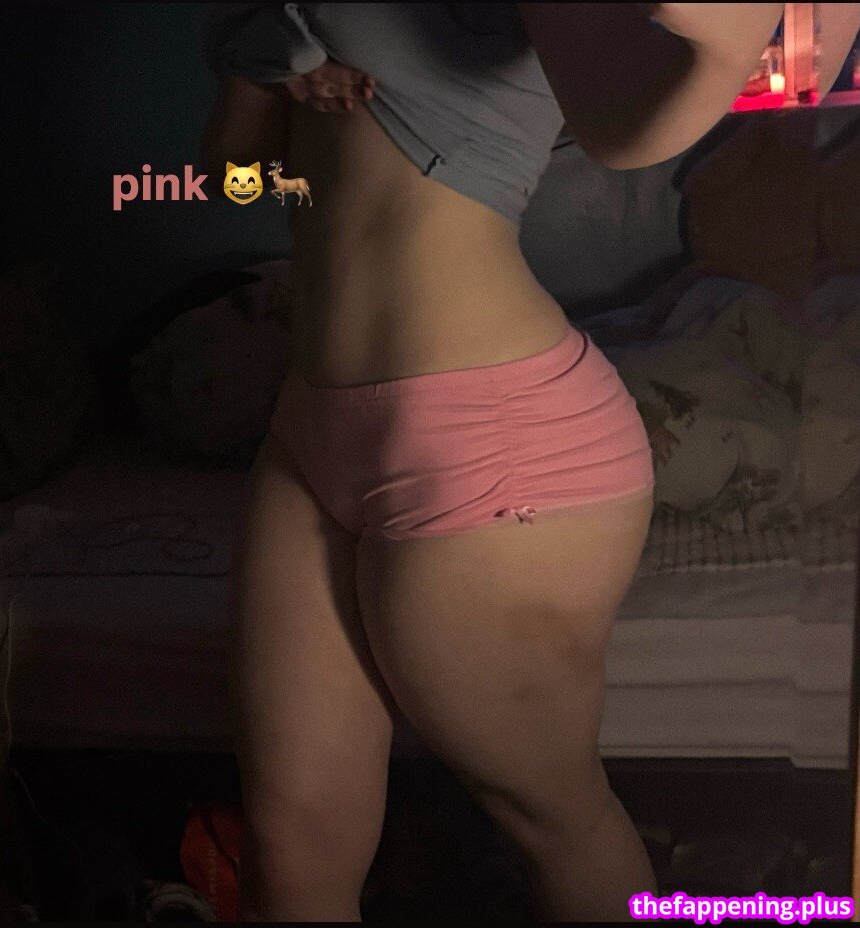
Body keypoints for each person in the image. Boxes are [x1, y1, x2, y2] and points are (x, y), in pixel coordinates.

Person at [199, 3, 860, 921]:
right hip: (308, 432)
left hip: (493, 428)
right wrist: (263, 70)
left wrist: (722, 50)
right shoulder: (271, 22)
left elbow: (631, 129)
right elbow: (234, 185)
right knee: (289, 840)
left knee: (547, 814)